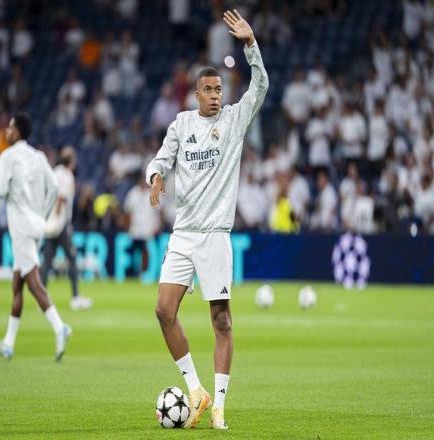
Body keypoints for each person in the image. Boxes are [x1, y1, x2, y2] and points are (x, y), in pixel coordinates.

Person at [146, 10, 268, 430]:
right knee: (163, 310)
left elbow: (261, 86)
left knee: (221, 319)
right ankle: (194, 390)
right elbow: (161, 159)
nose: (216, 96)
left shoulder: (234, 120)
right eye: (209, 90)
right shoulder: (182, 124)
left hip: (215, 235)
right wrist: (156, 176)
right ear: (196, 94)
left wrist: (250, 45)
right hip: (184, 233)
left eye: (219, 89)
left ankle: (218, 406)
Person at [0, 113, 72, 361]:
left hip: (20, 227)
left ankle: (59, 327)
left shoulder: (7, 156)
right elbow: (54, 188)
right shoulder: (38, 156)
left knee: (33, 282)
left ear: (18, 132)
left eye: (10, 128)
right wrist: (41, 215)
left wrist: (12, 193)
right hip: (36, 226)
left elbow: (0, 191)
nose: (7, 131)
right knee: (17, 283)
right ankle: (8, 342)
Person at [40, 146, 93, 311]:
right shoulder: (67, 175)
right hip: (61, 224)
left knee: (47, 260)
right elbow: (61, 197)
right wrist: (57, 217)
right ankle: (75, 297)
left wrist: (49, 218)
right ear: (71, 161)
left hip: (51, 223)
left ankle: (41, 299)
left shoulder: (55, 171)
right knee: (72, 259)